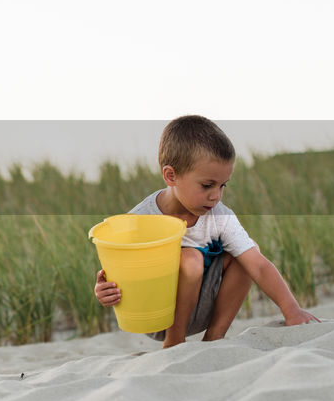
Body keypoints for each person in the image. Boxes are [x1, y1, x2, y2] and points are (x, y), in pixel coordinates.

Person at [94, 115, 319, 349]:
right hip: (156, 316)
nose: (216, 196)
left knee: (245, 255)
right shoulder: (139, 220)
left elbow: (259, 265)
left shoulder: (220, 216)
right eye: (207, 185)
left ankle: (214, 339)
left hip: (201, 310)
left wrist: (291, 309)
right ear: (171, 176)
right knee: (190, 258)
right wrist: (102, 290)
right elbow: (117, 271)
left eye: (222, 185)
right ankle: (174, 342)